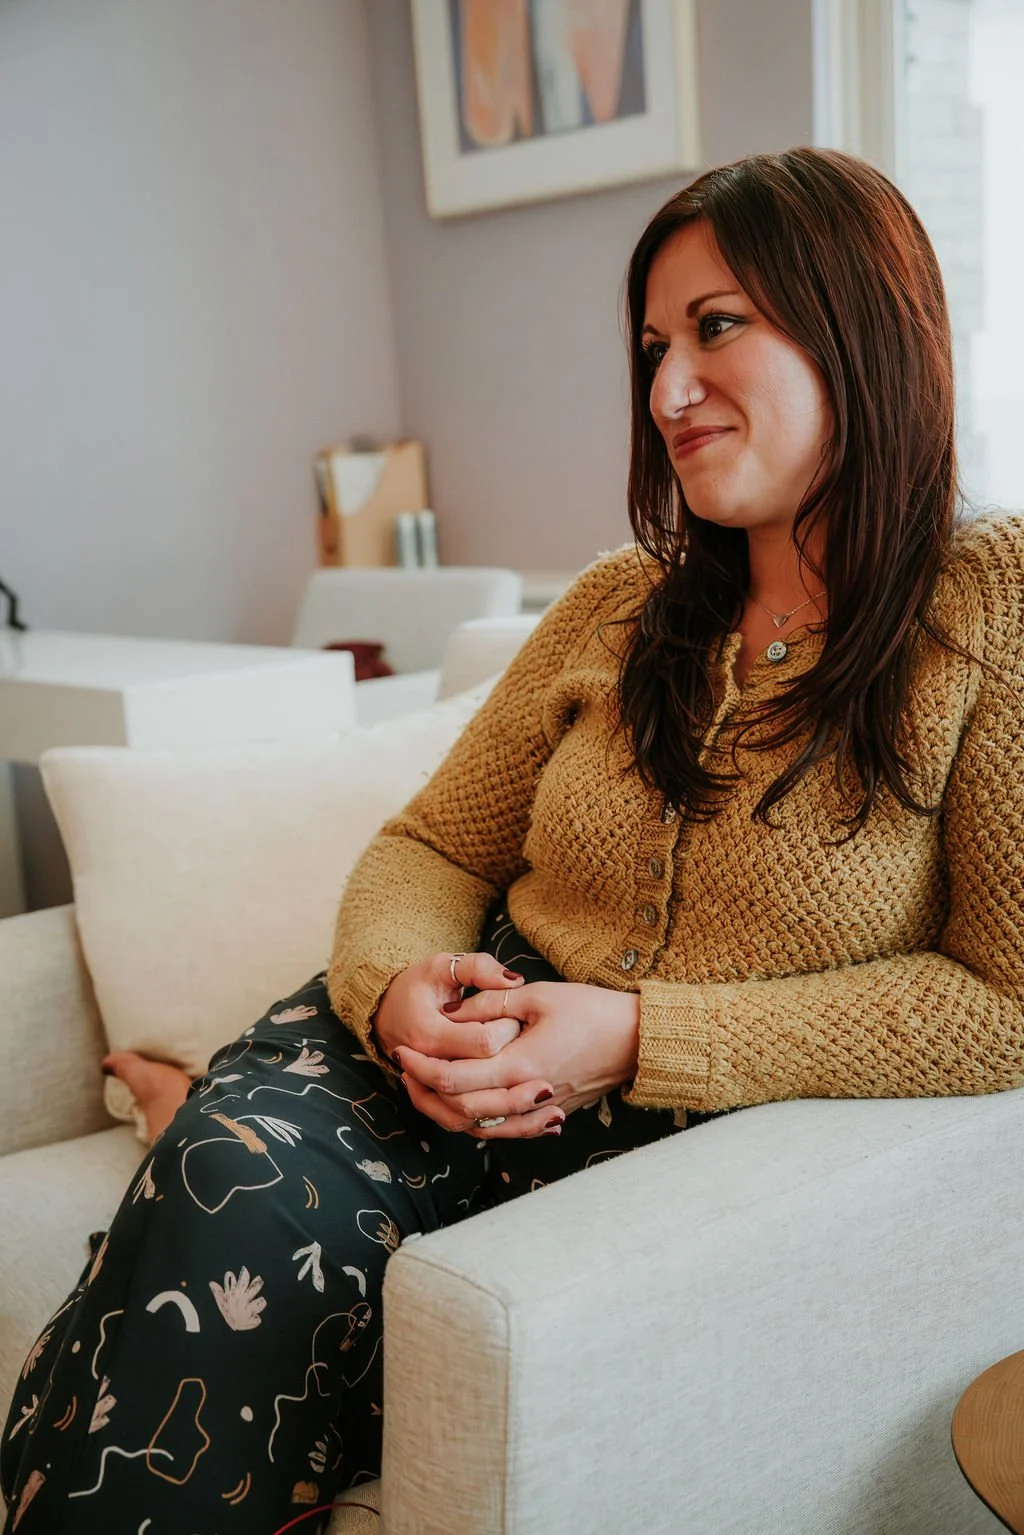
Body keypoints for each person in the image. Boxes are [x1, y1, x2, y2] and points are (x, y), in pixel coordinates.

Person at [3, 145, 1022, 1533]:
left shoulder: (993, 606)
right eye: (651, 345)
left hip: (642, 1133)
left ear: (865, 320)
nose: (665, 391)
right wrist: (396, 985)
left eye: (717, 327)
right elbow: (431, 845)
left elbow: (1002, 1005)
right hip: (436, 1042)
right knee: (223, 1190)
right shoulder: (618, 604)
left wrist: (633, 1033)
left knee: (226, 1225)